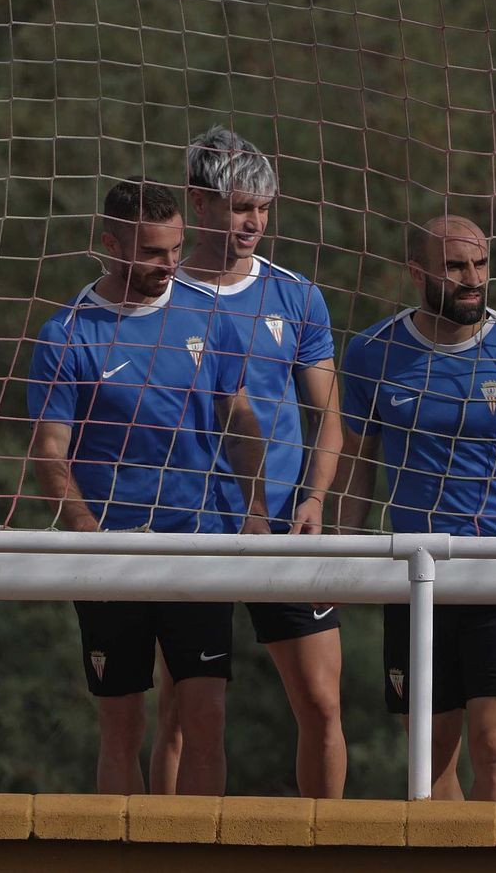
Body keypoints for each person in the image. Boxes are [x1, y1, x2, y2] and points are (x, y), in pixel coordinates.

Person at [27, 178, 271, 796]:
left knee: (206, 719)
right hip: (112, 556)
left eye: (174, 250)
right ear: (110, 243)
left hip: (198, 544)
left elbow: (240, 417)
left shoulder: (205, 314)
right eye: (151, 253)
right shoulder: (68, 334)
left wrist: (257, 510)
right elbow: (49, 451)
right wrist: (86, 530)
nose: (168, 266)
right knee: (122, 727)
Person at [335, 215, 496, 801]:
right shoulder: (372, 353)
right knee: (430, 758)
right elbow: (358, 465)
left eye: (481, 264)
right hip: (417, 577)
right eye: (456, 266)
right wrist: (338, 555)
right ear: (418, 273)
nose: (473, 279)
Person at [149, 125, 346, 799]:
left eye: (262, 208)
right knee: (183, 714)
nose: (253, 222)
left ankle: (326, 850)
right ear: (199, 204)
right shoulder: (159, 294)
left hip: (285, 525)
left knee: (321, 704)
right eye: (239, 207)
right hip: (188, 524)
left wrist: (316, 502)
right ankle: (170, 852)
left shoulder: (297, 296)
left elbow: (330, 422)